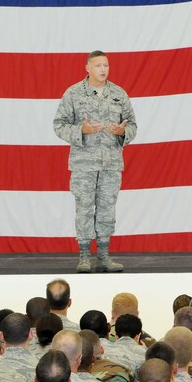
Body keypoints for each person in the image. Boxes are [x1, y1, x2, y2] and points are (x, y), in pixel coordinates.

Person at [53, 49, 137, 273]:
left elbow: (132, 126)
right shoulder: (73, 94)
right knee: (84, 208)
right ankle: (84, 255)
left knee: (107, 207)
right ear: (88, 68)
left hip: (110, 163)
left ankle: (104, 254)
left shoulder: (119, 94)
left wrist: (122, 131)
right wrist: (82, 129)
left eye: (106, 65)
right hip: (84, 163)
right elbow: (59, 124)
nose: (103, 69)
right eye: (98, 65)